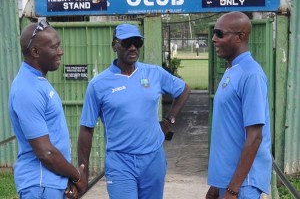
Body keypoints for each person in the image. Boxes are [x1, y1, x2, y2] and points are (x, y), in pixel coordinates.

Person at [78, 23, 190, 199]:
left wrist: (169, 120)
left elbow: (184, 90)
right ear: (115, 45)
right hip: (120, 162)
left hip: (153, 159)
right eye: (127, 43)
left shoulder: (154, 73)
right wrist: (82, 170)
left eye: (137, 43)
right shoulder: (98, 84)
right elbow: (86, 129)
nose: (132, 48)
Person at [8, 20, 87, 199]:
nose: (61, 51)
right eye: (54, 47)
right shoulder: (27, 89)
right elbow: (46, 152)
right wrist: (76, 176)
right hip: (40, 185)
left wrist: (65, 179)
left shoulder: (37, 82)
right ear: (35, 52)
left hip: (49, 183)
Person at [206, 11, 272, 199]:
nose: (213, 39)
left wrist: (233, 188)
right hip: (227, 182)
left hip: (243, 185)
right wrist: (217, 185)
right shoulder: (232, 70)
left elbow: (255, 136)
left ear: (240, 37)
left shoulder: (251, 74)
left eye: (220, 33)